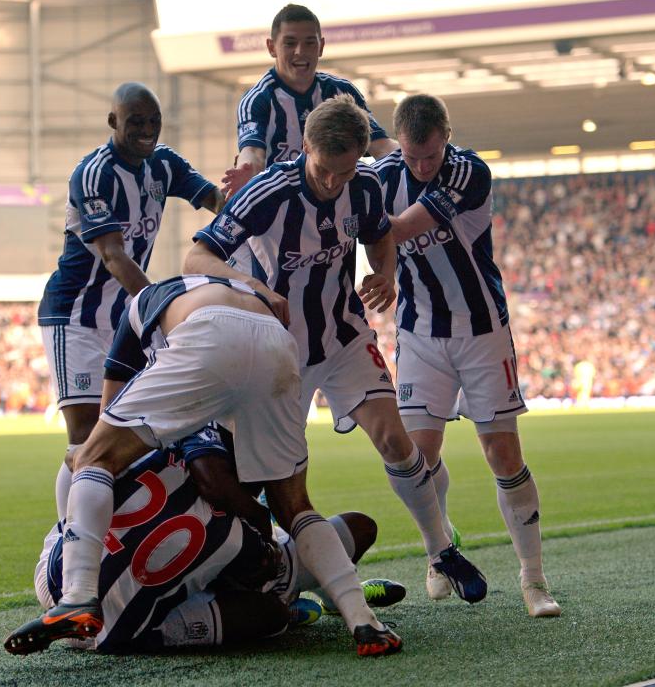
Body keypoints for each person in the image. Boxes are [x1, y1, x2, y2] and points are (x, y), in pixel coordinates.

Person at [185, 94, 487, 605]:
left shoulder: (364, 184)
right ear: (305, 146)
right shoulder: (267, 194)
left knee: (396, 439)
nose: (333, 183)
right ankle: (275, 578)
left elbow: (379, 236)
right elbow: (198, 257)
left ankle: (440, 550)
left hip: (344, 335)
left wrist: (385, 273)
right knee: (273, 481)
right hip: (278, 355)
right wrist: (252, 287)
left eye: (344, 173)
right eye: (325, 171)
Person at [7, 274, 402, 657]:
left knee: (89, 455)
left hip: (67, 584)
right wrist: (261, 526)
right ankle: (361, 619)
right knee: (297, 508)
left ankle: (78, 595)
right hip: (276, 344)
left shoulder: (154, 310)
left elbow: (111, 406)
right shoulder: (231, 523)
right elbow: (216, 483)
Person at [376, 93, 561, 617]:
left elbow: (399, 228)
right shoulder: (386, 172)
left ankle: (533, 580)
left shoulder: (468, 171)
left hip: (482, 332)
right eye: (411, 157)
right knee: (418, 454)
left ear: (447, 139)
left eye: (429, 156)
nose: (420, 166)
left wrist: (365, 231)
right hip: (418, 332)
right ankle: (441, 549)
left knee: (502, 454)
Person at [7, 423, 404, 655]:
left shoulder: (161, 450)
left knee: (83, 463)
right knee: (271, 614)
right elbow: (254, 571)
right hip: (119, 629)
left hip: (57, 576)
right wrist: (258, 521)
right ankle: (322, 597)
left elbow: (77, 460)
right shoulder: (233, 536)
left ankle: (72, 567)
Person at [37, 82, 226, 522]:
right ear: (113, 122)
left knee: (131, 433)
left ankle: (117, 530)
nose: (147, 130)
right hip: (76, 317)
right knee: (85, 439)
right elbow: (112, 255)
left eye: (153, 122)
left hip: (124, 317)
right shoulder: (93, 174)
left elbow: (214, 201)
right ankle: (70, 542)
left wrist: (247, 207)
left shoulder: (164, 164)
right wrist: (159, 308)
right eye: (136, 121)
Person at [222, 4, 397, 198]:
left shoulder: (342, 91)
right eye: (290, 43)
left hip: (340, 206)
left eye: (309, 43)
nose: (300, 51)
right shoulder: (258, 99)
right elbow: (253, 153)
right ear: (272, 47)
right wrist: (247, 171)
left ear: (321, 46)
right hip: (284, 210)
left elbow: (381, 147)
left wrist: (419, 155)